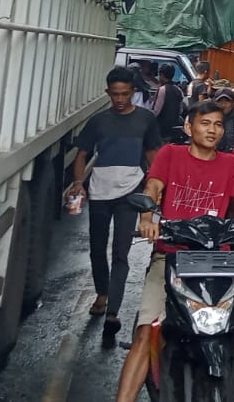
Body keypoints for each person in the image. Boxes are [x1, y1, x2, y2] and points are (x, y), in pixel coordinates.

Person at [116, 102, 234, 402]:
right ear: (189, 127)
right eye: (205, 123)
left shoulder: (230, 164)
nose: (212, 129)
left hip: (218, 262)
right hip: (172, 258)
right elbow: (153, 189)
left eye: (217, 124)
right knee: (147, 331)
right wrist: (147, 219)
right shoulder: (170, 154)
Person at [69, 67, 165, 346]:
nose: (120, 99)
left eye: (125, 94)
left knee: (120, 251)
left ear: (133, 92)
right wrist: (78, 183)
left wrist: (155, 186)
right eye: (115, 94)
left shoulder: (146, 120)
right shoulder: (99, 122)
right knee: (98, 248)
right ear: (107, 93)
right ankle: (102, 292)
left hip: (130, 193)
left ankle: (112, 311)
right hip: (99, 191)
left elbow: (152, 155)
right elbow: (82, 153)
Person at [153, 61, 185, 142]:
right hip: (173, 128)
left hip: (162, 130)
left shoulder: (162, 89)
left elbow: (156, 111)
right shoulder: (178, 89)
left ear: (162, 75)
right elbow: (180, 110)